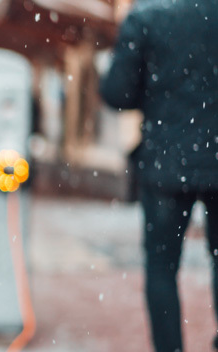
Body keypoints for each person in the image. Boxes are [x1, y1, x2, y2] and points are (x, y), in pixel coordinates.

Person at [100, 1, 218, 351]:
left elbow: (117, 92)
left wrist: (157, 93)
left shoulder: (145, 15)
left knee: (162, 268)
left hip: (167, 160)